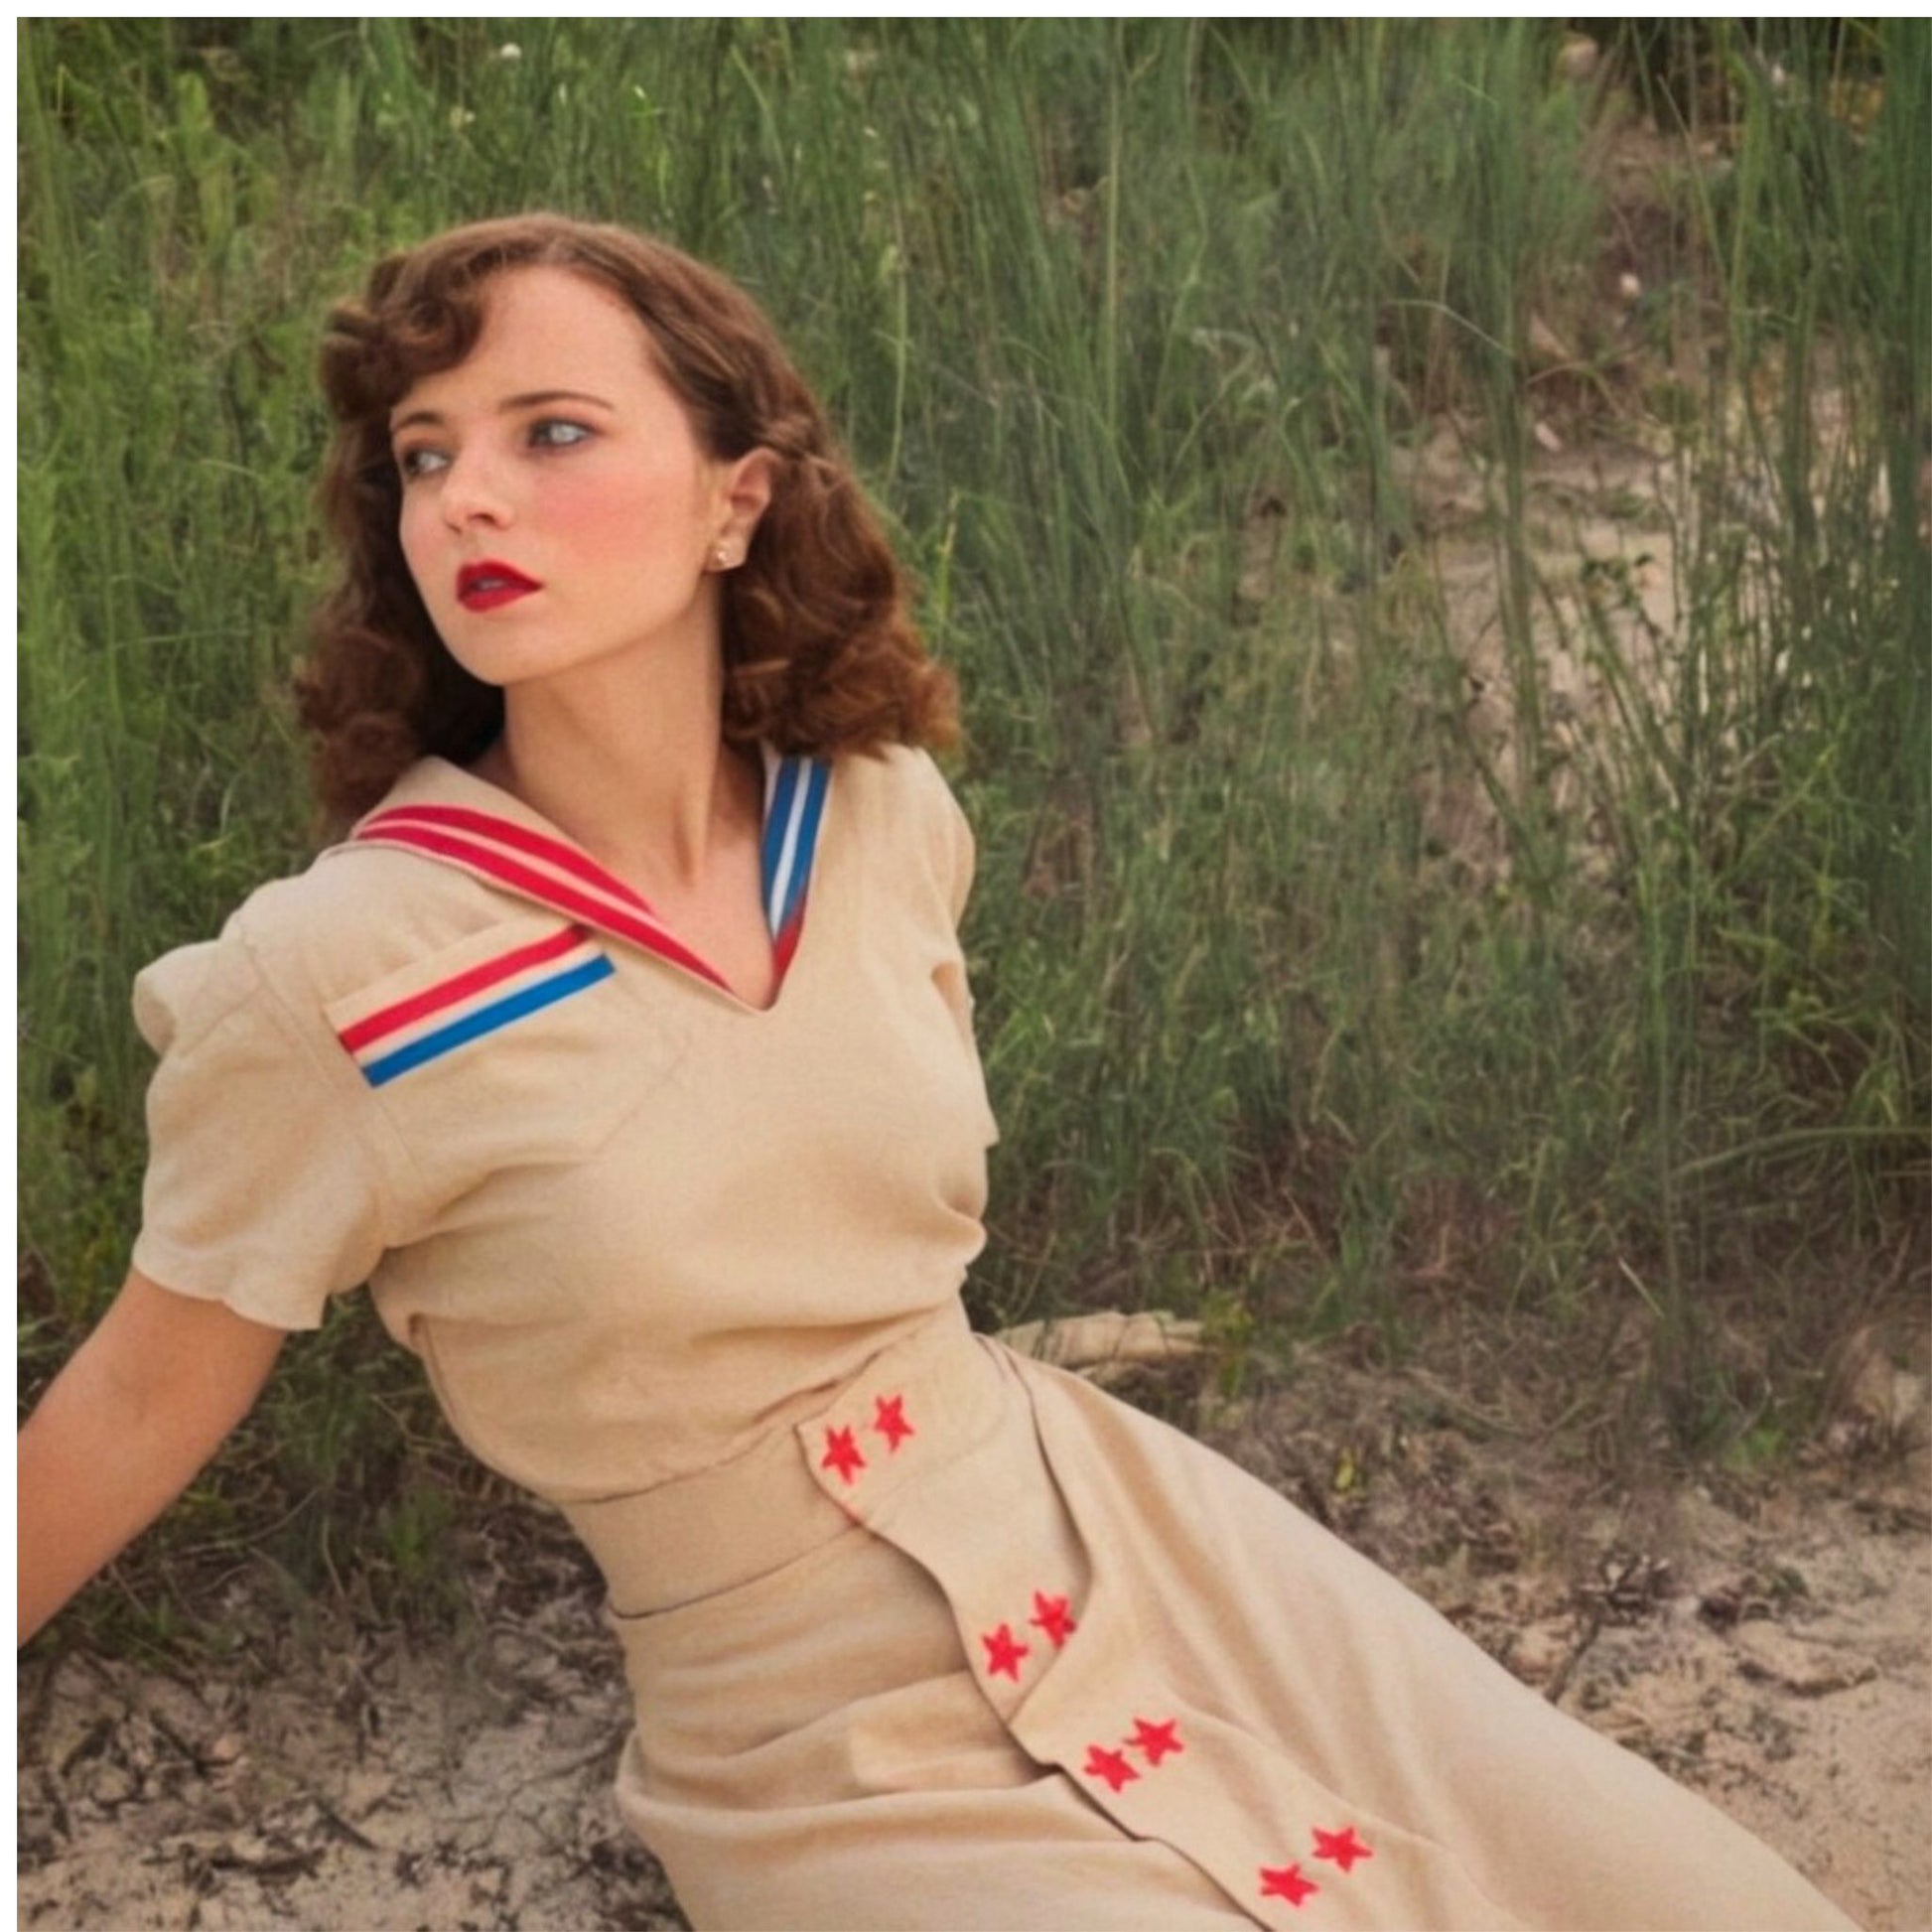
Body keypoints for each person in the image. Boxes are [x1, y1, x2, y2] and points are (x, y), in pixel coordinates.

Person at [17, 214, 1860, 1932]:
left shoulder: (885, 818)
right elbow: (130, 1405)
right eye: (424, 453)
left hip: (1137, 1544)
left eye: (551, 431)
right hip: (809, 1740)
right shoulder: (332, 978)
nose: (468, 495)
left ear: (738, 500)